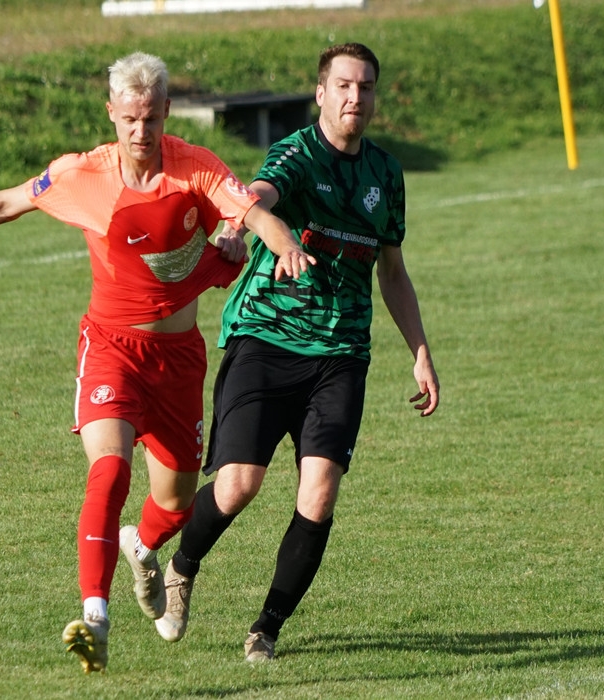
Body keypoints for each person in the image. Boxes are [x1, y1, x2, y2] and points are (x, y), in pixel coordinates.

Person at [0, 52, 312, 674]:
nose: (140, 131)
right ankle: (94, 617)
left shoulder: (196, 167)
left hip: (178, 360)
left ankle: (143, 547)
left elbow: (253, 211)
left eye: (151, 118)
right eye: (129, 119)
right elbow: (4, 203)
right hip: (111, 349)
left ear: (166, 112)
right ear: (111, 114)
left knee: (177, 504)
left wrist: (281, 242)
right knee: (109, 468)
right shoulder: (81, 175)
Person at [154, 42, 441, 662]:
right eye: (343, 86)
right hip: (266, 337)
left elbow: (392, 271)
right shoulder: (297, 152)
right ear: (320, 93)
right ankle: (181, 567)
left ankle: (266, 628)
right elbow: (259, 191)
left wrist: (419, 350)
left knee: (320, 493)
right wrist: (240, 221)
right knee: (238, 485)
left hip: (341, 352)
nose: (355, 97)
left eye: (365, 87)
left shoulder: (386, 175)